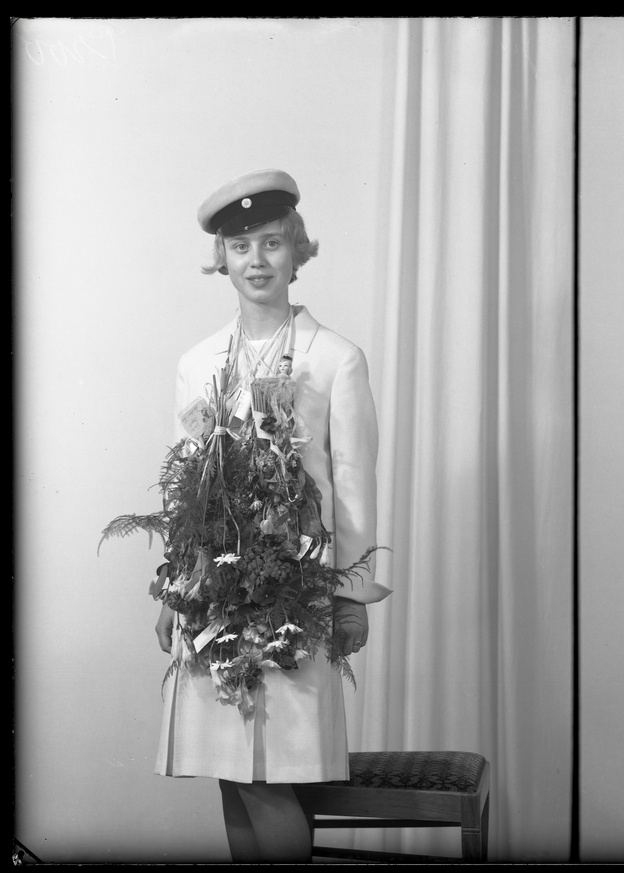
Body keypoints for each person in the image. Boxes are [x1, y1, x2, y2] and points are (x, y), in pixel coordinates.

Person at [152, 168, 391, 862]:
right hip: (213, 594)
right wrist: (173, 588)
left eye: (272, 243)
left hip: (296, 593)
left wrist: (352, 596)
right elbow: (184, 489)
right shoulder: (197, 362)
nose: (257, 261)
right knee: (233, 773)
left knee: (277, 774)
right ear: (222, 258)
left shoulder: (336, 359)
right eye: (241, 246)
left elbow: (354, 486)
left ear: (297, 251)